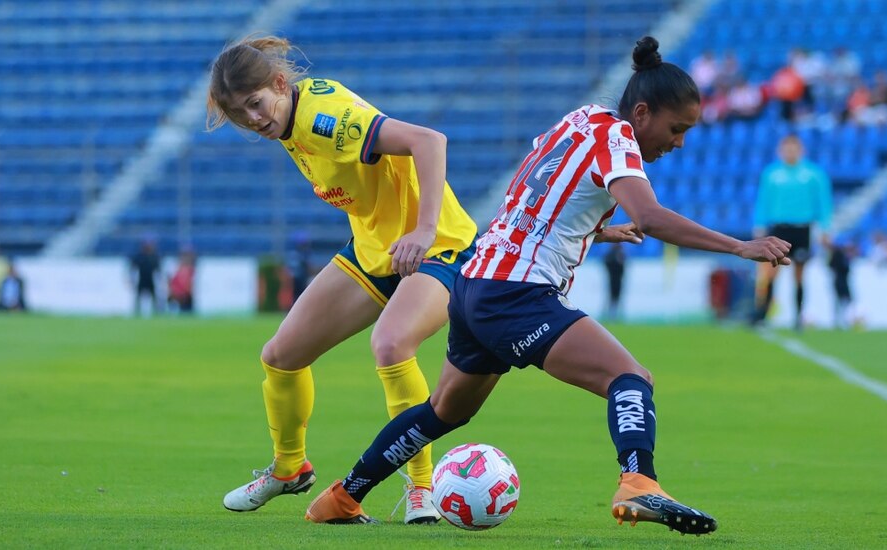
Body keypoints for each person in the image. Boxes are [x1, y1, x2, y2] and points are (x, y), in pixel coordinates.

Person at [302, 36, 791, 534]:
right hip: (517, 293)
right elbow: (652, 216)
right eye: (676, 128)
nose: (679, 141)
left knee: (443, 411)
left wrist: (595, 231)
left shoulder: (579, 120)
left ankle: (342, 496)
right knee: (630, 379)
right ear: (641, 113)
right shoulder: (619, 138)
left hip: (474, 284)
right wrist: (740, 247)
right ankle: (638, 482)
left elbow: (533, 201)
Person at [206, 34, 478, 523]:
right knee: (281, 356)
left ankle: (422, 489)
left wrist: (422, 228)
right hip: (376, 251)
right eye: (239, 114)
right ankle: (289, 469)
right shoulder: (289, 122)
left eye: (255, 103)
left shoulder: (322, 119)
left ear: (280, 83)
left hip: (438, 248)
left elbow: (428, 140)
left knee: (392, 345)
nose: (252, 119)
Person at [751, 134, 833, 331]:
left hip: (802, 229)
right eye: (786, 149)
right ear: (780, 151)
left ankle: (798, 316)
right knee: (771, 272)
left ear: (801, 150)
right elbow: (763, 201)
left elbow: (824, 203)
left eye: (793, 148)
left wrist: (825, 229)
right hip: (779, 229)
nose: (790, 152)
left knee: (799, 274)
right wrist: (759, 224)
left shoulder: (813, 174)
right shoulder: (771, 174)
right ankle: (763, 314)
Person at [129, 237, 162, 317]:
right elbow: (132, 268)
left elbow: (158, 270)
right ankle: (137, 312)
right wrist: (131, 280)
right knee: (138, 297)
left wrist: (160, 281)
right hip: (142, 280)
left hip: (150, 280)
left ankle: (156, 312)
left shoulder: (154, 257)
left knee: (154, 297)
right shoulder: (139, 256)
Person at [602, 242, 627, 320]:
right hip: (614, 279)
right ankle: (612, 314)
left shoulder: (616, 255)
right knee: (614, 297)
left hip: (615, 279)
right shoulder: (616, 255)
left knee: (614, 297)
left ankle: (614, 314)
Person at [167, 248, 196, 314]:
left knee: (187, 311)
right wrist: (173, 292)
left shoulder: (190, 269)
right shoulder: (175, 268)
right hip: (178, 294)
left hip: (186, 295)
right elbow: (171, 281)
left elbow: (190, 283)